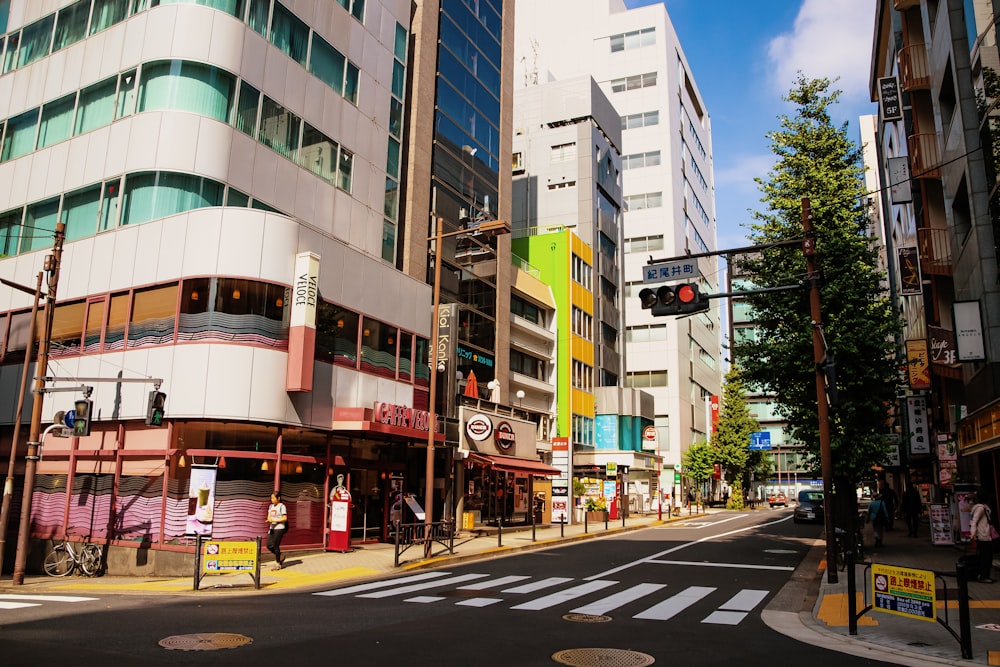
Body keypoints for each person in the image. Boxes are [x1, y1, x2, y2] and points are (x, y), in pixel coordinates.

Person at [969, 492, 995, 583]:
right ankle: (984, 576)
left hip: (985, 535)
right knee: (986, 557)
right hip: (983, 536)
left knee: (987, 556)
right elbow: (974, 521)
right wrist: (973, 535)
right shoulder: (980, 508)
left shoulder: (982, 507)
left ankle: (984, 575)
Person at [266, 491, 288, 569]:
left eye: (273, 498)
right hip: (272, 528)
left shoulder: (282, 506)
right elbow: (268, 517)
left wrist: (275, 520)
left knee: (275, 545)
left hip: (279, 528)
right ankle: (280, 555)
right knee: (268, 545)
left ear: (278, 498)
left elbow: (285, 518)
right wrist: (269, 520)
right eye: (271, 498)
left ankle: (278, 564)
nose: (271, 499)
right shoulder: (271, 506)